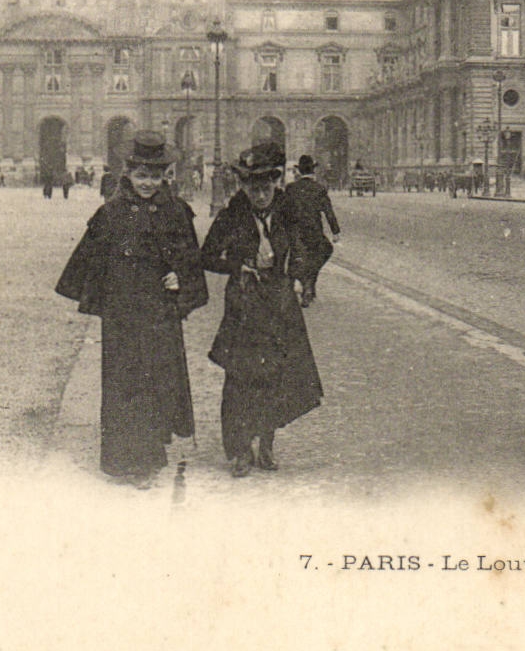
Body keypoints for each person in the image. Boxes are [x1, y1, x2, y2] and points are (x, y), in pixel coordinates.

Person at [55, 132, 207, 487]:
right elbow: (88, 258)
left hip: (159, 314)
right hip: (122, 313)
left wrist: (180, 279)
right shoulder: (111, 212)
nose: (148, 183)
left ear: (165, 176)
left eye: (155, 176)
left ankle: (148, 459)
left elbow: (190, 260)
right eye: (141, 176)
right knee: (124, 384)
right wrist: (100, 291)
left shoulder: (177, 211)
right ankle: (121, 459)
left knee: (155, 383)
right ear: (128, 174)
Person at [201, 141, 325, 478]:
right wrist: (238, 265)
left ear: (275, 184)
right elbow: (207, 255)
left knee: (275, 375)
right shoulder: (231, 217)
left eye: (266, 187)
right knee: (240, 377)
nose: (260, 195)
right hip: (244, 304)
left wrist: (298, 276)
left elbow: (316, 247)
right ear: (243, 186)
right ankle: (241, 449)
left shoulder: (289, 213)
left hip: (279, 303)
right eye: (252, 187)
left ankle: (266, 444)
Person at [279, 153, 341, 307]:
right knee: (324, 251)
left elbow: (282, 211)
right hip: (314, 232)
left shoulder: (291, 188)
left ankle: (305, 284)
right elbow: (328, 211)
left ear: (299, 171)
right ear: (313, 172)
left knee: (296, 258)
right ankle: (309, 284)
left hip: (294, 232)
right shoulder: (319, 189)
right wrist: (335, 231)